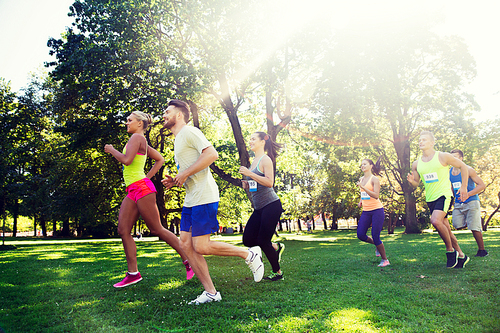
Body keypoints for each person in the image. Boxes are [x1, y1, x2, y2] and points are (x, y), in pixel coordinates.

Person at [161, 100, 264, 305]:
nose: (163, 115)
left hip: (204, 195)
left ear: (179, 115)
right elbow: (190, 168)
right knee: (185, 244)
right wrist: (177, 180)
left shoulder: (190, 132)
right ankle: (211, 293)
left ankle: (249, 253)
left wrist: (186, 173)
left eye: (167, 111)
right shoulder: (178, 139)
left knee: (201, 245)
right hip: (192, 197)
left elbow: (212, 154)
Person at [104, 111, 193, 288]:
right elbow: (160, 159)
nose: (126, 123)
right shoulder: (140, 140)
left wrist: (112, 150)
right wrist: (147, 177)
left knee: (157, 229)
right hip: (134, 189)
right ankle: (133, 274)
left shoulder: (136, 138)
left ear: (139, 123)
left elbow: (127, 160)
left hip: (142, 189)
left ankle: (189, 260)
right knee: (123, 230)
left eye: (130, 120)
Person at [407, 131, 470, 268]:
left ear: (432, 142)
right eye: (419, 140)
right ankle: (461, 255)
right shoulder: (416, 164)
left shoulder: (442, 156)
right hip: (430, 198)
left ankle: (450, 251)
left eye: (424, 139)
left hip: (444, 195)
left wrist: (464, 187)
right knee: (445, 227)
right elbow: (417, 183)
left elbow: (463, 167)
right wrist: (412, 182)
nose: (421, 142)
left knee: (435, 221)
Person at [240, 132, 286, 282]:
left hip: (271, 205)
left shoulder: (265, 159)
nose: (250, 141)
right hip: (259, 208)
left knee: (262, 239)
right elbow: (256, 185)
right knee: (248, 239)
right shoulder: (253, 161)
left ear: (262, 142)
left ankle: (277, 272)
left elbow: (269, 182)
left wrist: (249, 174)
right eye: (250, 139)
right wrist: (247, 184)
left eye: (253, 139)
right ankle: (275, 247)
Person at [449, 149, 488, 257]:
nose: (453, 159)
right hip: (458, 203)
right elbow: (452, 187)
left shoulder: (468, 170)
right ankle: (469, 221)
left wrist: (468, 194)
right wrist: (453, 200)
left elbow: (481, 185)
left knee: (474, 228)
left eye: (456, 157)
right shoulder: (449, 172)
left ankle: (482, 250)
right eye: (451, 157)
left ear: (461, 158)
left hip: (471, 202)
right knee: (457, 224)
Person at [356, 157, 390, 267]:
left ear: (371, 166)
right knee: (360, 234)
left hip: (377, 211)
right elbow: (363, 193)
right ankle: (377, 245)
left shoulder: (374, 179)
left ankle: (385, 260)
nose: (363, 166)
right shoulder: (361, 179)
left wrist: (363, 188)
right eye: (362, 164)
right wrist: (361, 201)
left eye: (365, 164)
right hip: (366, 211)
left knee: (376, 236)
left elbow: (376, 195)